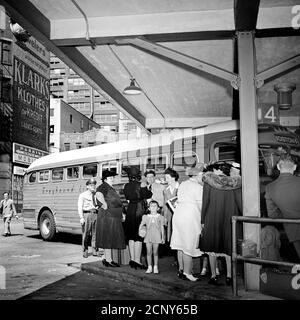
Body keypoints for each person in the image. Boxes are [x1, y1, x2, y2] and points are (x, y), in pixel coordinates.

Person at [200, 161, 242, 286]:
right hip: (230, 217)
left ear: (219, 170)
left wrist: (202, 220)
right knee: (229, 248)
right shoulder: (235, 183)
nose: (212, 172)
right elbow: (240, 202)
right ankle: (229, 276)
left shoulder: (208, 183)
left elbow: (205, 202)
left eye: (214, 169)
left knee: (212, 248)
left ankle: (213, 276)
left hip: (212, 217)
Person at [170, 164, 204, 282]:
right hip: (190, 216)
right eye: (202, 174)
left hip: (179, 214)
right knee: (189, 245)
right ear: (196, 175)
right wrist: (203, 219)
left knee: (181, 245)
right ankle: (188, 273)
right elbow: (200, 206)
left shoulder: (183, 184)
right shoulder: (198, 187)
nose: (202, 177)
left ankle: (181, 270)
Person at [265, 154, 300, 261]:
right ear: (294, 167)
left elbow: (272, 214)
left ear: (278, 167)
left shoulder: (270, 187)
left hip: (293, 229)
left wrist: (287, 215)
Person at [95, 170, 126, 267]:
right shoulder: (103, 186)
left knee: (109, 238)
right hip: (107, 216)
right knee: (108, 238)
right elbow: (98, 194)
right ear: (105, 179)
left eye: (113, 177)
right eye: (111, 177)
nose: (113, 179)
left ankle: (107, 259)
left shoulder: (110, 187)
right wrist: (104, 204)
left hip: (112, 216)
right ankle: (108, 260)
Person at [123, 167, 152, 269]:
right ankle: (137, 261)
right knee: (139, 237)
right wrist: (148, 187)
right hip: (139, 211)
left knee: (131, 237)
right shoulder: (142, 184)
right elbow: (148, 195)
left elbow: (127, 197)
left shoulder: (126, 186)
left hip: (130, 211)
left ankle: (132, 260)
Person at [139, 200, 165, 274]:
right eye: (151, 206)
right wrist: (140, 231)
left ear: (158, 208)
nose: (153, 207)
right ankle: (149, 267)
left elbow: (162, 228)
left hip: (157, 236)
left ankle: (155, 266)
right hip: (148, 236)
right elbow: (141, 225)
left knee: (155, 252)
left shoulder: (160, 217)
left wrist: (163, 237)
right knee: (148, 252)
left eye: (155, 206)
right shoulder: (146, 217)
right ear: (149, 208)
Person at [77, 178, 100, 258]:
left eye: (94, 185)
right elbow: (80, 207)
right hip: (87, 214)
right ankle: (85, 250)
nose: (93, 186)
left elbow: (98, 204)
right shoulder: (82, 195)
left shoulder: (96, 194)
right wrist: (81, 217)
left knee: (95, 234)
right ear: (87, 186)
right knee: (86, 233)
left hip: (95, 214)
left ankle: (95, 251)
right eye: (91, 185)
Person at [163, 167, 179, 243]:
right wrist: (164, 216)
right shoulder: (166, 190)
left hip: (179, 214)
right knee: (169, 232)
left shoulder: (180, 187)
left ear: (173, 178)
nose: (166, 180)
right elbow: (165, 204)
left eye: (167, 177)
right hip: (169, 214)